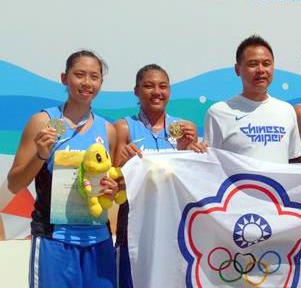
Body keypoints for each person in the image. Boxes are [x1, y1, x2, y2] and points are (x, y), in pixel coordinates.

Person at [7, 50, 119, 288]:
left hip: (98, 240)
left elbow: (116, 186)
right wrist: (41, 155)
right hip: (54, 239)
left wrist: (114, 188)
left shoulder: (107, 130)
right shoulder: (43, 122)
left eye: (94, 77)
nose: (87, 83)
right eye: (79, 75)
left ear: (101, 83)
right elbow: (14, 184)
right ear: (64, 78)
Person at [114, 64, 206, 288]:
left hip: (174, 222)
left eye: (163, 86)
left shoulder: (184, 128)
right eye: (149, 86)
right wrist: (122, 162)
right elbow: (113, 181)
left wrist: (189, 150)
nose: (157, 92)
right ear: (136, 91)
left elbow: (194, 179)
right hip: (134, 221)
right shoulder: (124, 128)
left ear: (170, 91)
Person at [204, 35, 301, 163]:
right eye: (253, 64)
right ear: (237, 69)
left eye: (266, 64)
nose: (261, 70)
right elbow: (208, 165)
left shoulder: (287, 110)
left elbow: (294, 163)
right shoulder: (218, 113)